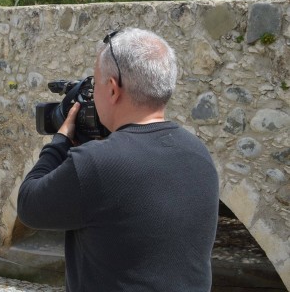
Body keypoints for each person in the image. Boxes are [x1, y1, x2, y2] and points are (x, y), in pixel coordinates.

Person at [17, 28, 220, 291]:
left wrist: (60, 142)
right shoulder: (199, 154)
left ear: (113, 89)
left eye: (94, 85)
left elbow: (29, 205)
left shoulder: (96, 164)